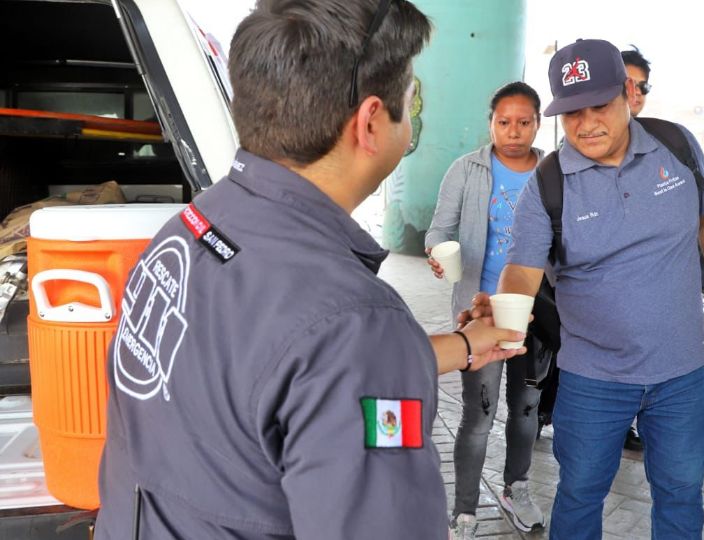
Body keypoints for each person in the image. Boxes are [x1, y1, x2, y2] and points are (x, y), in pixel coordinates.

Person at [93, 2, 528, 539]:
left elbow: (280, 367)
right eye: (410, 101)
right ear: (370, 122)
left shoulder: (189, 230)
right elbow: (335, 353)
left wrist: (461, 345)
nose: (412, 117)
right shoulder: (355, 320)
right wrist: (384, 348)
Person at [492, 38, 704, 538]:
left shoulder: (676, 144)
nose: (586, 125)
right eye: (571, 113)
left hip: (681, 373)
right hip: (593, 379)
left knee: (681, 493)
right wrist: (499, 324)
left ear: (629, 93)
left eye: (600, 105)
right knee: (581, 494)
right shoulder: (548, 183)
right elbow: (522, 270)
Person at [424, 81, 546, 537]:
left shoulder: (554, 172)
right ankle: (465, 509)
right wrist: (439, 253)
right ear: (490, 123)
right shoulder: (466, 169)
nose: (513, 132)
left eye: (523, 122)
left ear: (537, 123)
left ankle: (516, 489)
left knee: (526, 408)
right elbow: (438, 230)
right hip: (481, 313)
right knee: (479, 414)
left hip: (538, 312)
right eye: (503, 122)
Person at [619, 45, 653, 453]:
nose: (636, 93)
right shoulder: (562, 165)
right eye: (626, 84)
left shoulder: (670, 146)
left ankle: (631, 421)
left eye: (642, 86)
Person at [621, 45, 651, 118]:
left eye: (643, 86)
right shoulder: (590, 127)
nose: (638, 92)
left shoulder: (661, 128)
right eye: (629, 85)